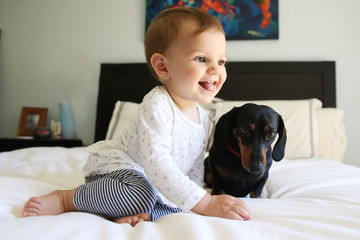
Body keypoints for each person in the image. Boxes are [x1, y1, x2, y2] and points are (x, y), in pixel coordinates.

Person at [22, 7, 252, 227]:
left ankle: (130, 212)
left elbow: (193, 169)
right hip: (120, 175)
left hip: (154, 184)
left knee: (174, 206)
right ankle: (67, 199)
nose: (216, 69)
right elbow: (157, 164)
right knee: (140, 192)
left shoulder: (203, 117)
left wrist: (195, 199)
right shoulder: (158, 103)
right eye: (202, 59)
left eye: (221, 61)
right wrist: (207, 202)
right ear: (163, 67)